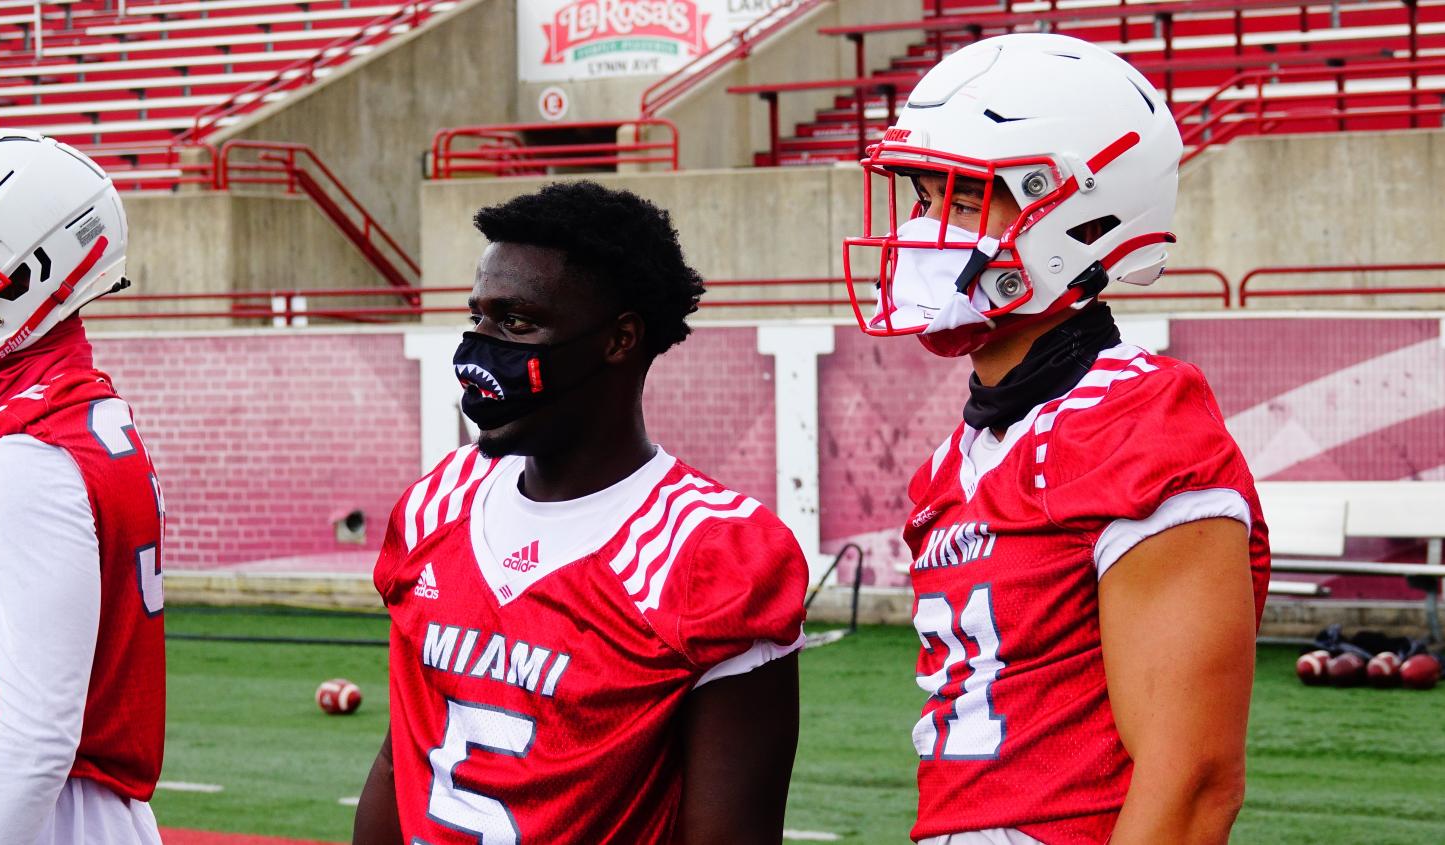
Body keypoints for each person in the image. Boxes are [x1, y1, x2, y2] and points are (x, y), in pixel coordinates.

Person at [840, 34, 1271, 844]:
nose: (924, 228)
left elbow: (1192, 781)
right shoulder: (957, 459)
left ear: (1076, 208)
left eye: (961, 199)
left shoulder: (1137, 426)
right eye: (921, 196)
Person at [353, 181, 809, 844]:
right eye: (478, 316)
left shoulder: (710, 552)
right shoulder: (435, 504)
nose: (482, 348)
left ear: (619, 338)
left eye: (517, 322)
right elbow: (400, 762)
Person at [0, 130, 165, 844]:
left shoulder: (30, 453)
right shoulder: (77, 410)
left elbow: (37, 735)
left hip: (36, 811)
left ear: (24, 276)